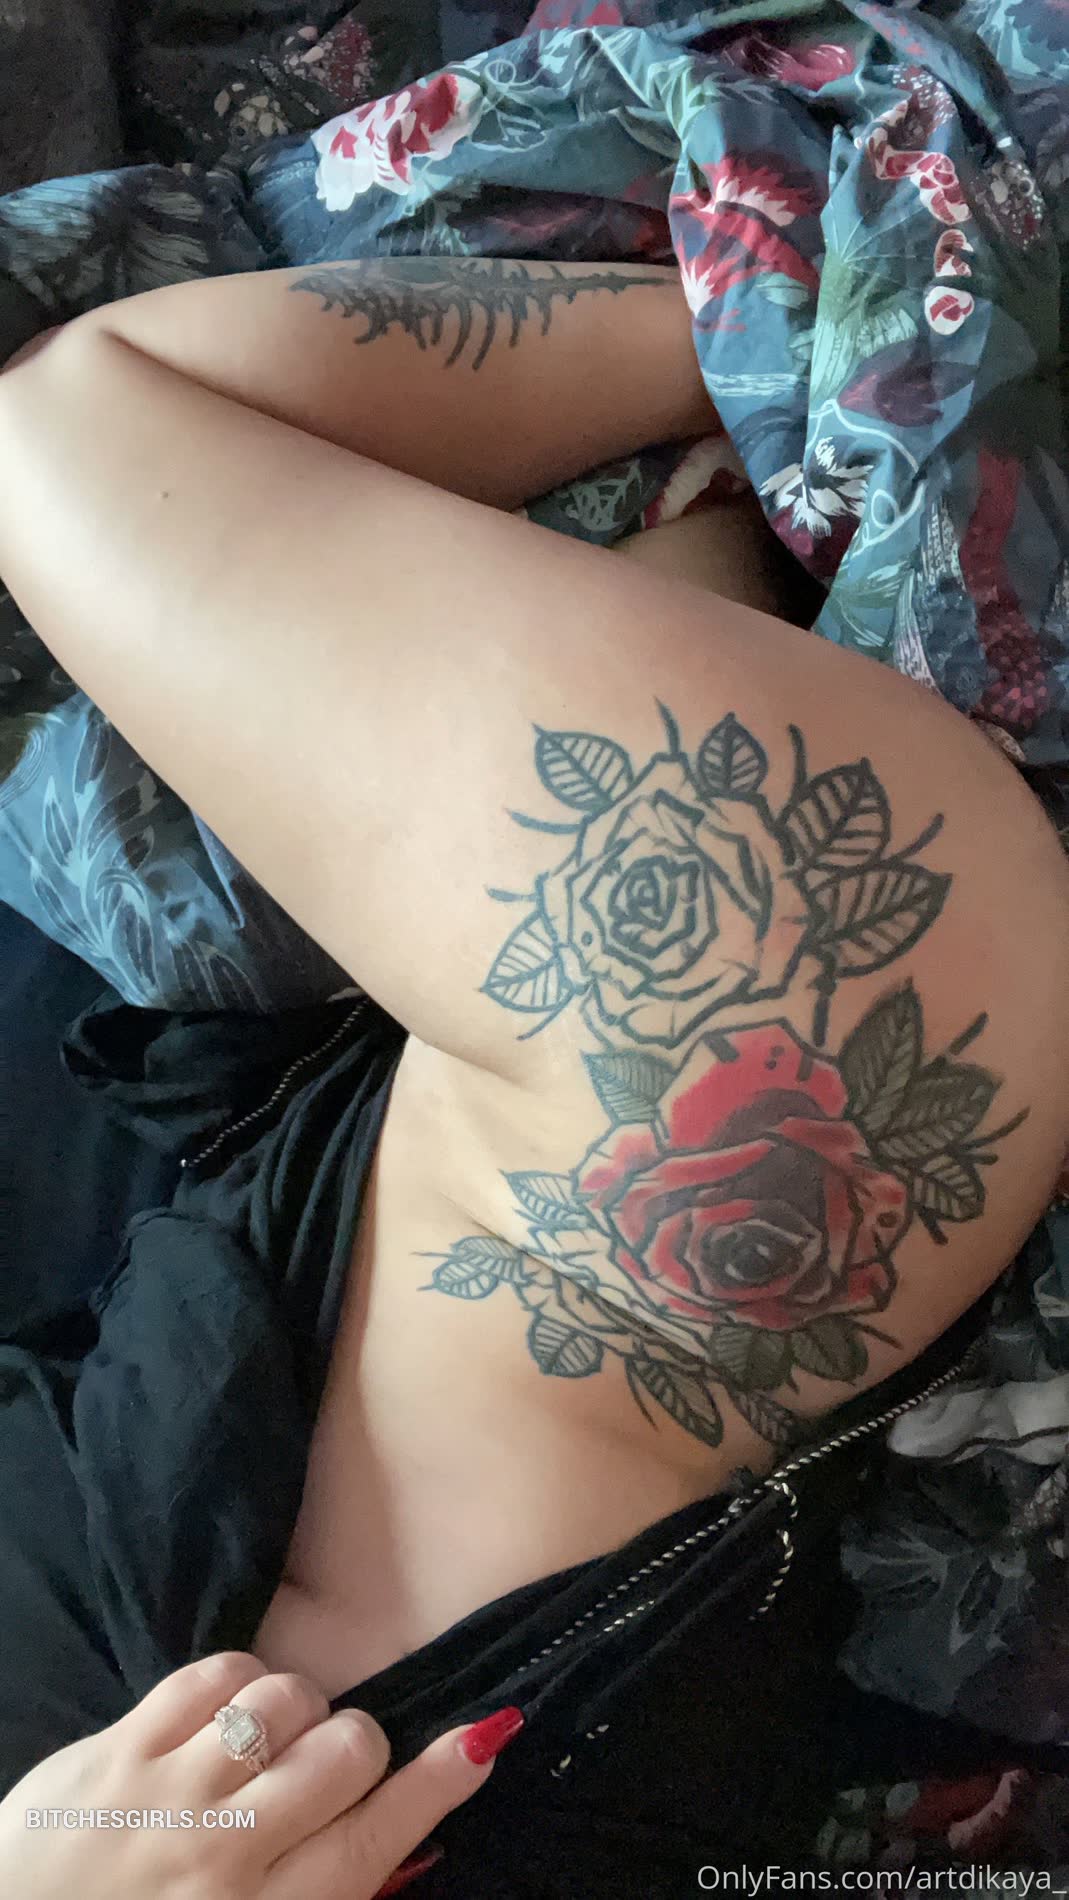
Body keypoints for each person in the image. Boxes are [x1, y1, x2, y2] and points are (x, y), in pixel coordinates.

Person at [0, 255, 1067, 1896]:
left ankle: (718, 465)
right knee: (57, 425)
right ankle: (769, 330)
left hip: (620, 1133)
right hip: (719, 1098)